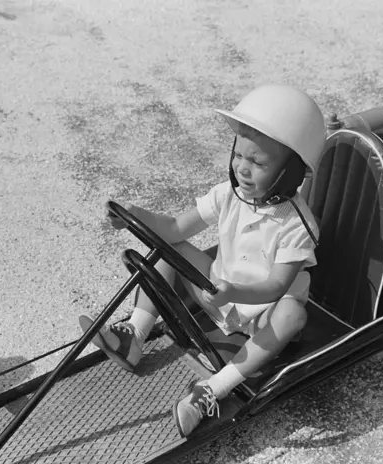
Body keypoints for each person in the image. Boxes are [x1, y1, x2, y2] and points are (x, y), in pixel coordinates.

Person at [79, 84, 327, 437]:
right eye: (239, 155)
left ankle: (213, 390)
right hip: (216, 292)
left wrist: (232, 291)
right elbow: (176, 226)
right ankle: (135, 334)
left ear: (290, 173)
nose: (242, 168)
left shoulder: (297, 225)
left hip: (262, 315)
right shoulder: (229, 194)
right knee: (170, 245)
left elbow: (276, 286)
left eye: (257, 162)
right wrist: (135, 213)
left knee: (293, 315)